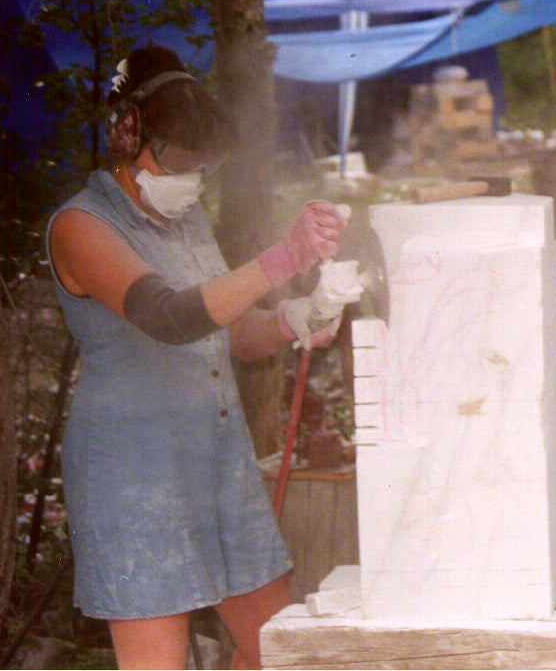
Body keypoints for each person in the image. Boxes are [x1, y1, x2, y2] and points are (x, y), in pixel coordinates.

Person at [47, 44, 346, 669]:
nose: (192, 182)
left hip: (217, 466)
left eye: (202, 168)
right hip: (135, 481)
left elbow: (227, 332)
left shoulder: (182, 222)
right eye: (180, 164)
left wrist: (296, 317)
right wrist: (283, 258)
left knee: (276, 651)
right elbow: (171, 316)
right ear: (127, 141)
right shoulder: (80, 226)